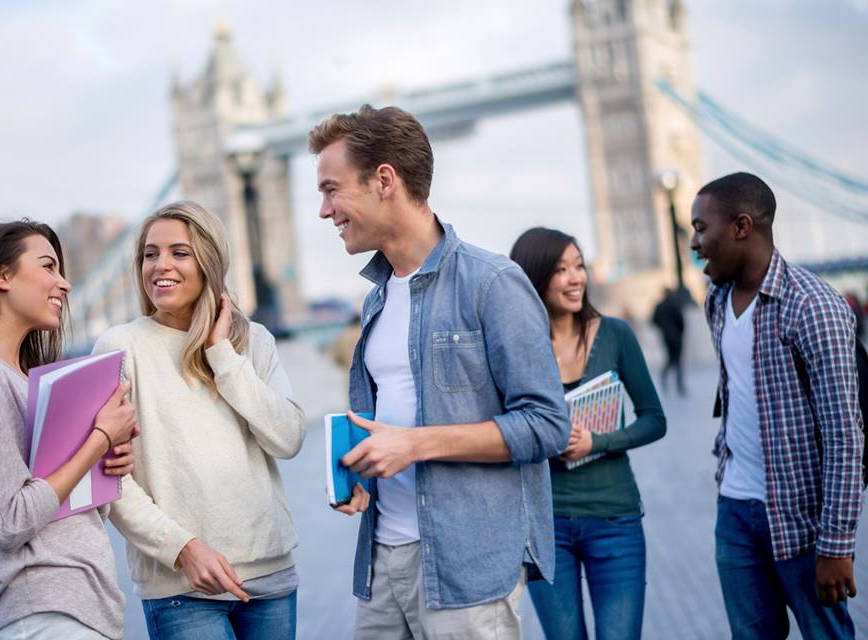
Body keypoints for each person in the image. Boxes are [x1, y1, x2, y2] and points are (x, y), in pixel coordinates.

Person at [308, 104, 570, 639]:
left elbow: (547, 424)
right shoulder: (375, 299)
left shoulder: (493, 283)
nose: (324, 210)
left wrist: (415, 444)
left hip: (465, 569)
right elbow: (394, 418)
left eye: (331, 189)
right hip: (382, 559)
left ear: (384, 180)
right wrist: (360, 474)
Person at [92, 201, 306, 640]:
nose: (160, 265)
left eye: (179, 252)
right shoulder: (120, 347)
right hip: (181, 588)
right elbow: (110, 479)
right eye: (150, 254)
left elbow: (288, 438)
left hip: (270, 579)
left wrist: (223, 355)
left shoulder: (253, 341)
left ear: (209, 261)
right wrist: (182, 548)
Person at [0, 221, 138, 639]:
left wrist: (111, 462)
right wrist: (98, 440)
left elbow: (62, 510)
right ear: (1, 277)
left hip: (81, 611)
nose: (65, 284)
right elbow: (10, 523)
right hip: (44, 614)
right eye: (48, 267)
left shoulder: (26, 384)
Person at [691, 172, 863, 639]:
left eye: (701, 228)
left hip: (803, 520)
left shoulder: (813, 306)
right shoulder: (716, 298)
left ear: (742, 226)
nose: (694, 242)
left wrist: (837, 545)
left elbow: (845, 434)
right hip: (735, 510)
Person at [510, 227, 666, 639]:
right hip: (546, 527)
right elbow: (502, 429)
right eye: (561, 269)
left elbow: (655, 419)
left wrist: (599, 442)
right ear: (534, 276)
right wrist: (543, 440)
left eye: (579, 266)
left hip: (615, 520)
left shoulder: (616, 334)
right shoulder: (517, 345)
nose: (576, 277)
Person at [652, 286, 687, 396]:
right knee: (677, 360)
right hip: (676, 336)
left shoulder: (660, 306)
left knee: (670, 359)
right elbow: (681, 321)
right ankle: (679, 385)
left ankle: (665, 381)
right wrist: (680, 332)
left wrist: (663, 328)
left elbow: (654, 320)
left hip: (666, 336)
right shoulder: (674, 305)